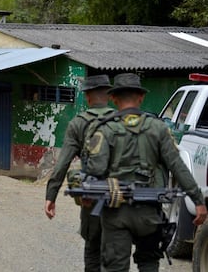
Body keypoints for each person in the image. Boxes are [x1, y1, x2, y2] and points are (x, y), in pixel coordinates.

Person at [85, 73, 207, 272]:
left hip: (116, 213)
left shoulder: (104, 129)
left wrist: (90, 193)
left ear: (114, 98)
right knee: (149, 263)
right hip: (150, 213)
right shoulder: (159, 129)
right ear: (141, 98)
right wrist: (198, 202)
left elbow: (94, 170)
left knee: (115, 267)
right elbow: (178, 166)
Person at [44, 74, 114, 272]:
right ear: (108, 95)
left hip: (92, 198)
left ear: (87, 97)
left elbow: (62, 163)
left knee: (92, 251)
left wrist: (51, 196)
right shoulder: (123, 123)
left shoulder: (79, 123)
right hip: (120, 199)